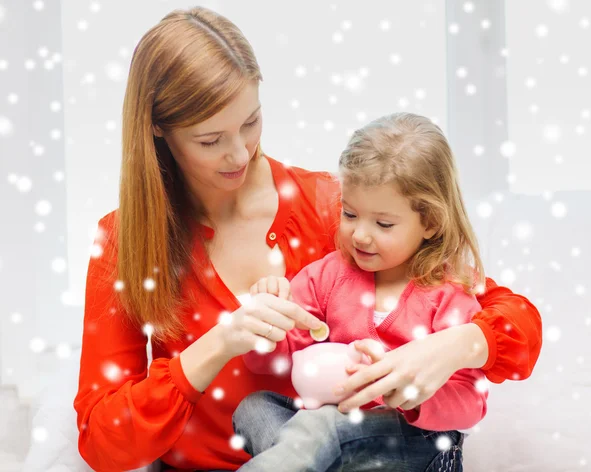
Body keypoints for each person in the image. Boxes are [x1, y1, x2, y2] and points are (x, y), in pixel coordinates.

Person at [73, 6, 542, 472]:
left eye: (251, 122)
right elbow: (103, 443)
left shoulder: (338, 212)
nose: (239, 152)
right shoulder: (124, 243)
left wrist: (456, 345)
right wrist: (219, 344)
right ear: (158, 129)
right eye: (210, 139)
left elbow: (515, 325)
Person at [233, 112, 489, 472]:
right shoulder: (328, 276)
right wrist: (267, 324)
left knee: (322, 426)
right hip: (338, 433)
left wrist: (413, 396)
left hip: (415, 445)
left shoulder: (448, 293)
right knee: (255, 408)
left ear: (430, 222)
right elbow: (267, 360)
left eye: (383, 223)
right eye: (350, 214)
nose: (360, 235)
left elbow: (472, 401)